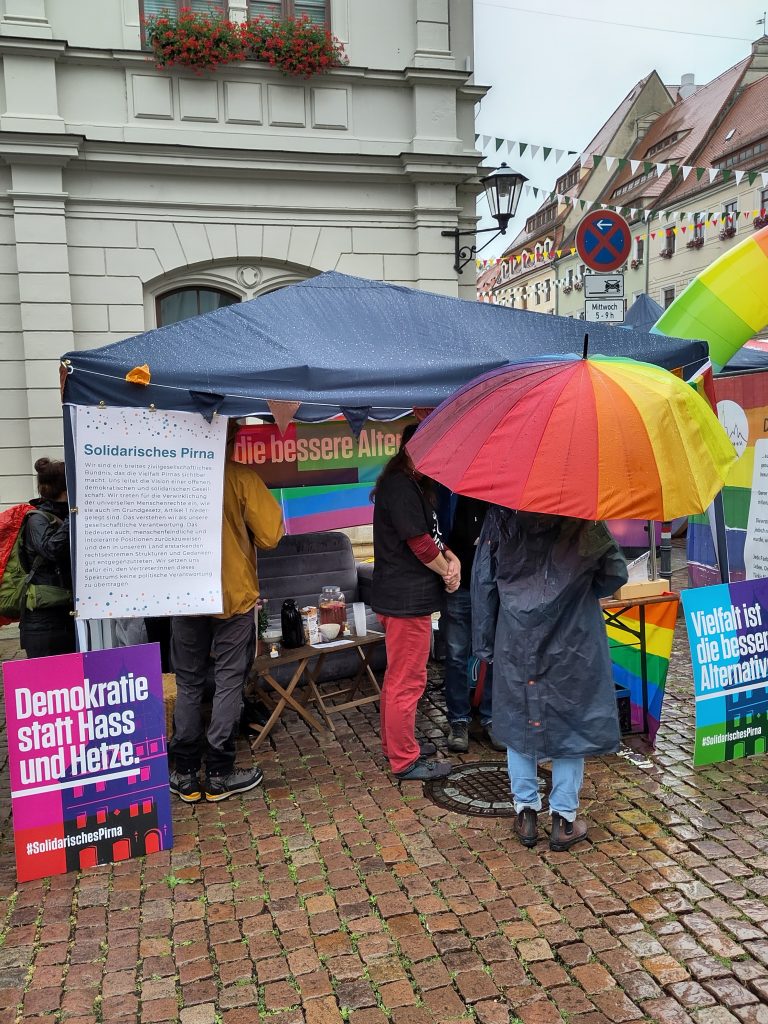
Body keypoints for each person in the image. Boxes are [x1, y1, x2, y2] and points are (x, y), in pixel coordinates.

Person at [472, 509, 628, 851]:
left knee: (517, 718)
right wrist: (579, 588)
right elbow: (615, 573)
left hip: (516, 634)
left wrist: (484, 645)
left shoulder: (500, 515)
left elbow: (484, 583)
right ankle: (564, 819)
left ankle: (526, 813)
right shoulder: (583, 513)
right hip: (573, 634)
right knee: (570, 720)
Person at [170, 424, 284, 804]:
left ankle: (184, 772)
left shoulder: (173, 474)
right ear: (231, 440)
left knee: (188, 683)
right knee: (229, 681)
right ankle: (218, 773)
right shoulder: (240, 477)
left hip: (182, 593)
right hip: (232, 596)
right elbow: (271, 535)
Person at [371, 424, 460, 781]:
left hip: (409, 598)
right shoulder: (400, 485)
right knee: (407, 681)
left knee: (403, 678)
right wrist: (446, 571)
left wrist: (452, 558)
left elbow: (436, 537)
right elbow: (421, 544)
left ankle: (397, 744)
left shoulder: (416, 484)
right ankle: (404, 759)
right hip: (404, 600)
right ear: (413, 449)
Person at [438, 493, 503, 752]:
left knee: (495, 654)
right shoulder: (453, 496)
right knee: (455, 655)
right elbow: (438, 537)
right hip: (461, 588)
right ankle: (458, 720)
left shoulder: (504, 499)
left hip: (496, 589)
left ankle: (491, 717)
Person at [18, 458, 76, 659]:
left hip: (68, 613)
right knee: (49, 683)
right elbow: (51, 550)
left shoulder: (65, 514)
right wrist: (73, 516)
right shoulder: (37, 519)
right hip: (43, 621)